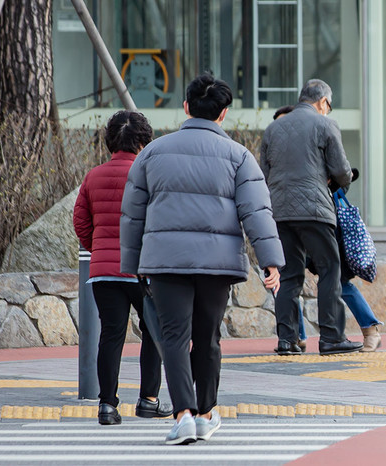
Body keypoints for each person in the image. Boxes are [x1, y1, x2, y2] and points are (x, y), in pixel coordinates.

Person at [120, 73, 284, 445]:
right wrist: (270, 260)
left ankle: (183, 417)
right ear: (223, 114)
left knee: (174, 338)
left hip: (165, 262)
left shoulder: (152, 153)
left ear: (185, 107)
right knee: (208, 337)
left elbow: (133, 214)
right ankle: (207, 412)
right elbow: (256, 211)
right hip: (216, 263)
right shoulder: (238, 156)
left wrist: (133, 264)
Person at [73, 110, 172, 425]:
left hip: (102, 270)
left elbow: (80, 220)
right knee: (153, 332)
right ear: (143, 141)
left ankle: (107, 405)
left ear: (110, 141)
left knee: (111, 335)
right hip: (142, 269)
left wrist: (97, 248)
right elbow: (160, 222)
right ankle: (148, 400)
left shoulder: (93, 176)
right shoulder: (149, 174)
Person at [260, 81, 363, 356]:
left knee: (289, 275)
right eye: (329, 105)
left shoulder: (272, 129)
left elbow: (264, 174)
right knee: (330, 269)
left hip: (279, 212)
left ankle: (287, 340)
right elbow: (341, 171)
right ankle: (331, 337)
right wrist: (338, 182)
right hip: (315, 211)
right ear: (322, 102)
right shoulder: (325, 125)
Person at [271, 105, 382, 352]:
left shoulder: (313, 137)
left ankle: (370, 328)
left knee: (338, 279)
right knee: (289, 279)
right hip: (291, 220)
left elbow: (343, 173)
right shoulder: (284, 149)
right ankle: (295, 337)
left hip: (321, 220)